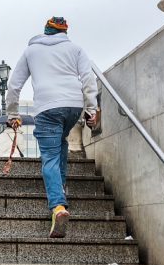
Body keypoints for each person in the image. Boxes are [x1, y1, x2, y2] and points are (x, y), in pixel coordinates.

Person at [6, 16, 98, 238]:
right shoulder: (76, 49)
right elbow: (88, 78)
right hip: (72, 106)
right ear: (65, 32)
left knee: (49, 156)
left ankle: (57, 205)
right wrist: (91, 110)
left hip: (47, 107)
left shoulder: (31, 51)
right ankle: (61, 187)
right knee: (61, 143)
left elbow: (14, 84)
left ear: (46, 31)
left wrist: (12, 113)